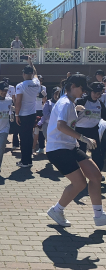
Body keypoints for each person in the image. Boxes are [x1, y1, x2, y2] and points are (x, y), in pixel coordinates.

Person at [46, 74, 106, 227]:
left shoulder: (69, 103)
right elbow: (60, 126)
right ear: (72, 86)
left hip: (71, 147)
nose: (84, 92)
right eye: (82, 88)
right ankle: (56, 210)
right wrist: (83, 138)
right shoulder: (65, 103)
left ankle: (99, 216)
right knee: (80, 184)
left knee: (96, 176)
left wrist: (76, 108)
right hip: (58, 149)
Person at [15, 56, 41, 167]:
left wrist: (16, 114)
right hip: (32, 114)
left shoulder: (21, 85)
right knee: (29, 137)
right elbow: (35, 72)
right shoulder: (36, 83)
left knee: (23, 138)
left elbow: (18, 102)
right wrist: (30, 62)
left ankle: (25, 161)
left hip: (23, 115)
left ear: (24, 74)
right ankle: (28, 160)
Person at [75, 82, 106, 171]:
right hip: (80, 131)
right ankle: (79, 173)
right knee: (81, 152)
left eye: (99, 93)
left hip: (93, 130)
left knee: (97, 153)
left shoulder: (99, 103)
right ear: (90, 91)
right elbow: (72, 116)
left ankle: (97, 172)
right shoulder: (82, 101)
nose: (97, 95)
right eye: (95, 93)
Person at [35, 75, 47, 154]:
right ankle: (33, 145)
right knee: (34, 130)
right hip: (33, 109)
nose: (40, 81)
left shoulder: (43, 88)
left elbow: (45, 100)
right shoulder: (33, 87)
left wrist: (43, 96)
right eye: (39, 80)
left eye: (41, 80)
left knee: (41, 128)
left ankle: (41, 147)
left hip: (41, 109)